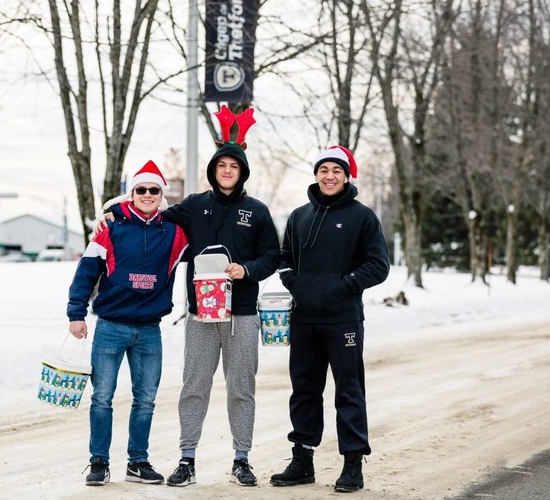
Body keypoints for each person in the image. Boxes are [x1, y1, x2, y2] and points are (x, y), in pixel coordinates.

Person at [96, 106, 280, 486]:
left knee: (241, 389)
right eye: (221, 165)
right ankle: (187, 459)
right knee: (193, 386)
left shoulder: (257, 211)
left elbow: (272, 257)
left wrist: (247, 269)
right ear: (213, 170)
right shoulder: (196, 205)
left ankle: (241, 459)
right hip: (201, 315)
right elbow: (150, 209)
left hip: (241, 315)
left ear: (242, 171)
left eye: (234, 166)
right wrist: (112, 211)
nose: (227, 171)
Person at [269, 146, 390, 493]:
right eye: (324, 169)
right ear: (316, 174)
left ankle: (352, 463)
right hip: (304, 318)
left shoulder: (362, 217)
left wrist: (345, 285)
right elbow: (285, 257)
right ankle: (302, 460)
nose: (329, 175)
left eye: (337, 170)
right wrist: (294, 281)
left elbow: (378, 265)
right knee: (304, 389)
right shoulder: (298, 216)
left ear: (347, 175)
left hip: (343, 319)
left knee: (349, 390)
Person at [67, 160, 188, 487]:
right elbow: (86, 272)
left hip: (150, 329)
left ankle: (138, 462)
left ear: (161, 196)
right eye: (141, 190)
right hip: (110, 326)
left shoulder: (176, 233)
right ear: (131, 194)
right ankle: (98, 462)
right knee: (102, 397)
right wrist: (75, 313)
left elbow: (209, 234)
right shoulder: (111, 229)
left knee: (146, 399)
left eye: (153, 190)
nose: (147, 195)